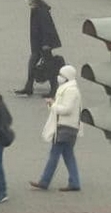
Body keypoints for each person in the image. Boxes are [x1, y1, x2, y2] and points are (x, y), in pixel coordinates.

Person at [29, 65, 82, 193]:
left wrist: (53, 105)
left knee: (54, 154)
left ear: (67, 77)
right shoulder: (69, 89)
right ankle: (74, 182)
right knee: (68, 155)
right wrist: (52, 105)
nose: (59, 77)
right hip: (69, 127)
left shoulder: (70, 91)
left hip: (64, 127)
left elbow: (66, 109)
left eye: (61, 75)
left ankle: (44, 181)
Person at [16, 0, 62, 98]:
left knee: (49, 66)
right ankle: (29, 87)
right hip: (39, 43)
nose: (28, 2)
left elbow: (47, 28)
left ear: (34, 1)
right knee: (33, 64)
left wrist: (46, 43)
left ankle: (53, 88)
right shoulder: (37, 9)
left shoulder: (41, 12)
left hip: (44, 44)